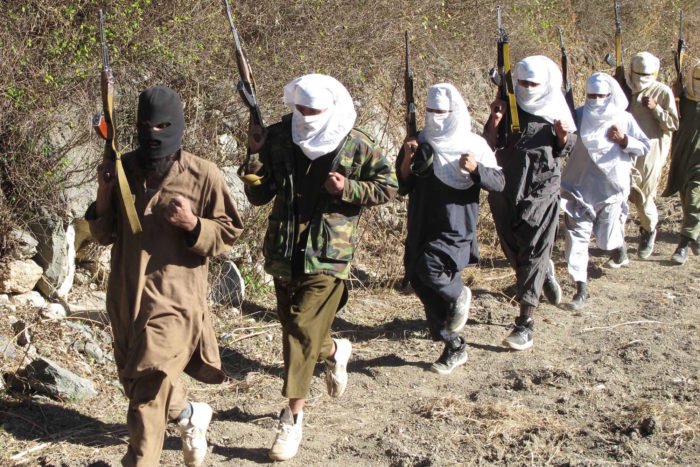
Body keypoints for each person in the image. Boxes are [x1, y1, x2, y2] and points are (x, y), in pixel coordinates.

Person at [86, 86, 243, 466]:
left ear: (178, 126)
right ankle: (190, 415)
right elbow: (104, 234)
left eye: (162, 126)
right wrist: (105, 191)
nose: (153, 134)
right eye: (146, 126)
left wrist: (193, 224)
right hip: (126, 299)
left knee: (146, 394)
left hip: (176, 303)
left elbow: (228, 232)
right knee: (139, 383)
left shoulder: (203, 175)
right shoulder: (124, 169)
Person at [243, 74, 397, 461]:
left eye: (313, 111)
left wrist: (348, 188)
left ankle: (292, 418)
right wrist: (255, 153)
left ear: (331, 108)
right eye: (301, 109)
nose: (306, 117)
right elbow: (259, 194)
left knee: (298, 329)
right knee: (299, 329)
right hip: (285, 251)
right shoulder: (281, 136)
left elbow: (390, 185)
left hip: (329, 256)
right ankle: (333, 350)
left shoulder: (355, 141)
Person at [397, 83, 504, 374]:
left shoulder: (474, 144)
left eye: (441, 112)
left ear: (454, 111)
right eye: (430, 111)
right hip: (421, 224)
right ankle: (453, 344)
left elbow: (498, 182)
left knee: (431, 268)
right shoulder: (420, 140)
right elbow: (403, 184)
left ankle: (458, 295)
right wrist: (408, 156)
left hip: (456, 226)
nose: (435, 117)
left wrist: (476, 169)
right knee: (418, 278)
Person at [483, 55, 576, 350]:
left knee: (534, 248)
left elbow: (566, 148)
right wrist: (495, 120)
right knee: (513, 246)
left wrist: (562, 135)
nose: (526, 88)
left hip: (542, 187)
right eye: (521, 83)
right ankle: (541, 272)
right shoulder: (507, 104)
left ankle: (525, 322)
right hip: (505, 187)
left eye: (532, 84)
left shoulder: (556, 108)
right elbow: (488, 143)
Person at [561, 73, 651, 309]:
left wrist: (624, 140)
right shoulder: (577, 116)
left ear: (610, 95)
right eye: (591, 96)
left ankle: (617, 247)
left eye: (601, 96)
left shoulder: (624, 119)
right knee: (576, 240)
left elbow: (644, 146)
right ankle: (580, 288)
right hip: (578, 189)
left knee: (606, 241)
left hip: (611, 190)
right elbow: (563, 142)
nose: (596, 100)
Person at [625, 52, 679, 258]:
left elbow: (673, 124)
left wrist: (656, 109)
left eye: (645, 75)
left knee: (644, 197)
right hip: (624, 147)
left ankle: (649, 230)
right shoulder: (624, 86)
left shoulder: (662, 92)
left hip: (650, 151)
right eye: (637, 74)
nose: (640, 79)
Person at [662, 61, 700, 264]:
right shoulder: (681, 99)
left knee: (694, 199)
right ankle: (695, 235)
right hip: (682, 158)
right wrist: (674, 97)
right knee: (687, 201)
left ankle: (683, 245)